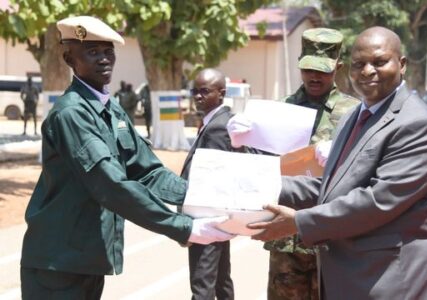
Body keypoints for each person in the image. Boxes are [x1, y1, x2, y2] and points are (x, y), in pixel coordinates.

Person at [20, 16, 233, 300]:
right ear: (70, 58)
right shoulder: (72, 114)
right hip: (57, 263)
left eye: (108, 52)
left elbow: (147, 171)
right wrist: (184, 227)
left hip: (87, 259)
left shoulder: (112, 110)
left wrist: (205, 196)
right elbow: (110, 184)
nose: (104, 59)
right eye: (92, 52)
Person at [249, 26, 427, 299]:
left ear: (403, 65)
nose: (367, 71)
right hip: (357, 276)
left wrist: (300, 222)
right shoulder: (355, 116)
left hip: (398, 280)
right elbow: (333, 187)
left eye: (379, 62)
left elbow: (378, 201)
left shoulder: (416, 123)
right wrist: (261, 183)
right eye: (359, 64)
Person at [264, 28, 358, 300]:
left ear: (338, 67)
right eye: (308, 70)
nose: (314, 77)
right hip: (286, 240)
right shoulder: (282, 108)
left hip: (329, 237)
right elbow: (263, 164)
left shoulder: (353, 113)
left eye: (323, 70)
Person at [181, 68, 249, 300]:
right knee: (220, 280)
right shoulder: (217, 122)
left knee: (203, 284)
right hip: (217, 218)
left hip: (207, 216)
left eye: (204, 91)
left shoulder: (220, 125)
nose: (198, 96)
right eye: (194, 91)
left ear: (221, 93)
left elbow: (216, 175)